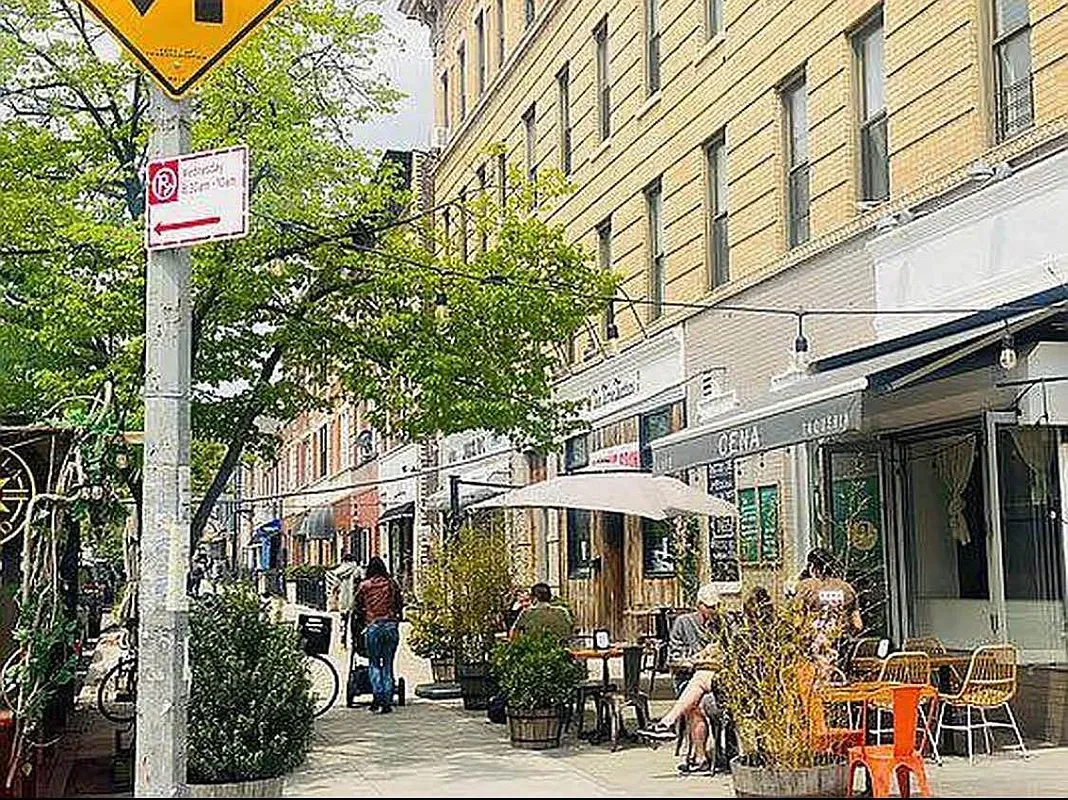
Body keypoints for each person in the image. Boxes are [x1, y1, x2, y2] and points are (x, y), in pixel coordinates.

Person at [639, 585, 729, 774]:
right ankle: (700, 758)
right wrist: (696, 658)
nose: (713, 611)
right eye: (709, 607)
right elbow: (673, 658)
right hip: (687, 678)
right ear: (699, 605)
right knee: (696, 706)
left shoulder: (723, 623)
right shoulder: (683, 623)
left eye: (716, 607)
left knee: (698, 700)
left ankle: (668, 725)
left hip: (712, 680)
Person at [353, 556, 404, 713]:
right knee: (388, 664)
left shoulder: (364, 586)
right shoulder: (391, 584)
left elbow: (357, 606)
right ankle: (387, 700)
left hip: (373, 626)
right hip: (390, 625)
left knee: (374, 663)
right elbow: (400, 603)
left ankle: (377, 696)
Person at [795, 548, 863, 635]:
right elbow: (858, 625)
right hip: (840, 642)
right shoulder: (846, 588)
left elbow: (796, 622)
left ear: (812, 567)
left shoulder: (805, 587)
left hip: (812, 643)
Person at [327, 552, 363, 648]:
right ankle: (353, 640)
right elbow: (361, 583)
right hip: (355, 598)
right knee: (355, 622)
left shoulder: (339, 572)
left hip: (344, 598)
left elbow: (335, 586)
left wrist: (333, 596)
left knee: (343, 620)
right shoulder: (357, 570)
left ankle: (343, 640)